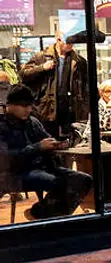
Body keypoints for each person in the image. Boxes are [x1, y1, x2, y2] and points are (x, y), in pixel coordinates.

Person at [0, 85, 92, 220]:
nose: (28, 109)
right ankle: (47, 216)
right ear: (10, 105)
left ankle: (44, 214)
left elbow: (46, 139)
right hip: (15, 173)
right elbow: (6, 158)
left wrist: (57, 144)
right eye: (24, 106)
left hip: (43, 167)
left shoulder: (33, 122)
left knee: (84, 180)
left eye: (30, 106)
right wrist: (38, 147)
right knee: (59, 183)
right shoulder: (2, 126)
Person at [21, 32, 93, 139]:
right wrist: (42, 68)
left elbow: (86, 87)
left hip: (70, 107)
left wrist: (85, 108)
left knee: (71, 139)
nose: (70, 45)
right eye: (68, 42)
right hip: (47, 106)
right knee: (48, 138)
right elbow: (23, 74)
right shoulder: (42, 57)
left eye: (72, 42)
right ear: (58, 39)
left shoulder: (79, 61)